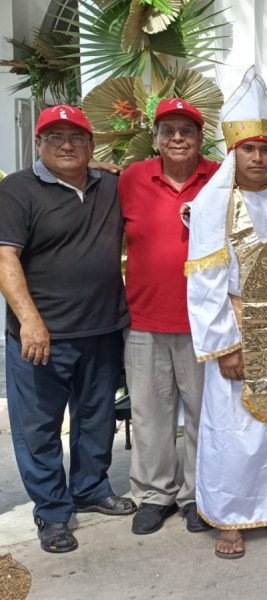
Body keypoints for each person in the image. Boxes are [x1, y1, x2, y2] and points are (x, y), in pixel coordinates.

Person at [185, 67, 267, 559]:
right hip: (238, 328)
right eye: (248, 148)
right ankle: (231, 518)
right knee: (233, 431)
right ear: (232, 150)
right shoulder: (212, 204)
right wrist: (225, 344)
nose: (258, 157)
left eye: (265, 148)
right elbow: (204, 282)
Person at [0, 105, 135, 554]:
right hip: (43, 336)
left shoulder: (111, 186)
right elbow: (5, 258)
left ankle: (91, 488)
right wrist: (30, 321)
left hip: (102, 328)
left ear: (91, 146)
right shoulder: (17, 191)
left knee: (95, 420)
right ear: (38, 144)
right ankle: (53, 511)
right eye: (54, 137)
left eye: (76, 137)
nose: (66, 145)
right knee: (38, 427)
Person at [118, 98, 216, 535]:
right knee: (151, 414)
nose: (178, 138)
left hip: (205, 320)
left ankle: (198, 495)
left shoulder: (220, 177)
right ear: (156, 138)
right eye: (169, 131)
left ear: (200, 138)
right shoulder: (131, 178)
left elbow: (261, 179)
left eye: (187, 131)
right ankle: (155, 494)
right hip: (144, 318)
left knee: (203, 413)